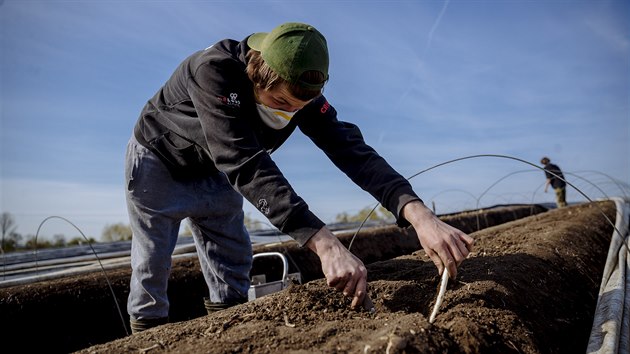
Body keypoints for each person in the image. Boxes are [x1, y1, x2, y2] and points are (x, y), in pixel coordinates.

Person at [125, 22, 474, 333]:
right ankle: (147, 334)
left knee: (232, 259)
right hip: (160, 162)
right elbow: (245, 162)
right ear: (256, 73)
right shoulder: (213, 71)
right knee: (153, 262)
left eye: (297, 107)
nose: (287, 112)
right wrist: (325, 245)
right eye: (279, 101)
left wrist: (418, 213)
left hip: (217, 170)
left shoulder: (303, 95)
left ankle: (225, 331)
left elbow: (351, 150)